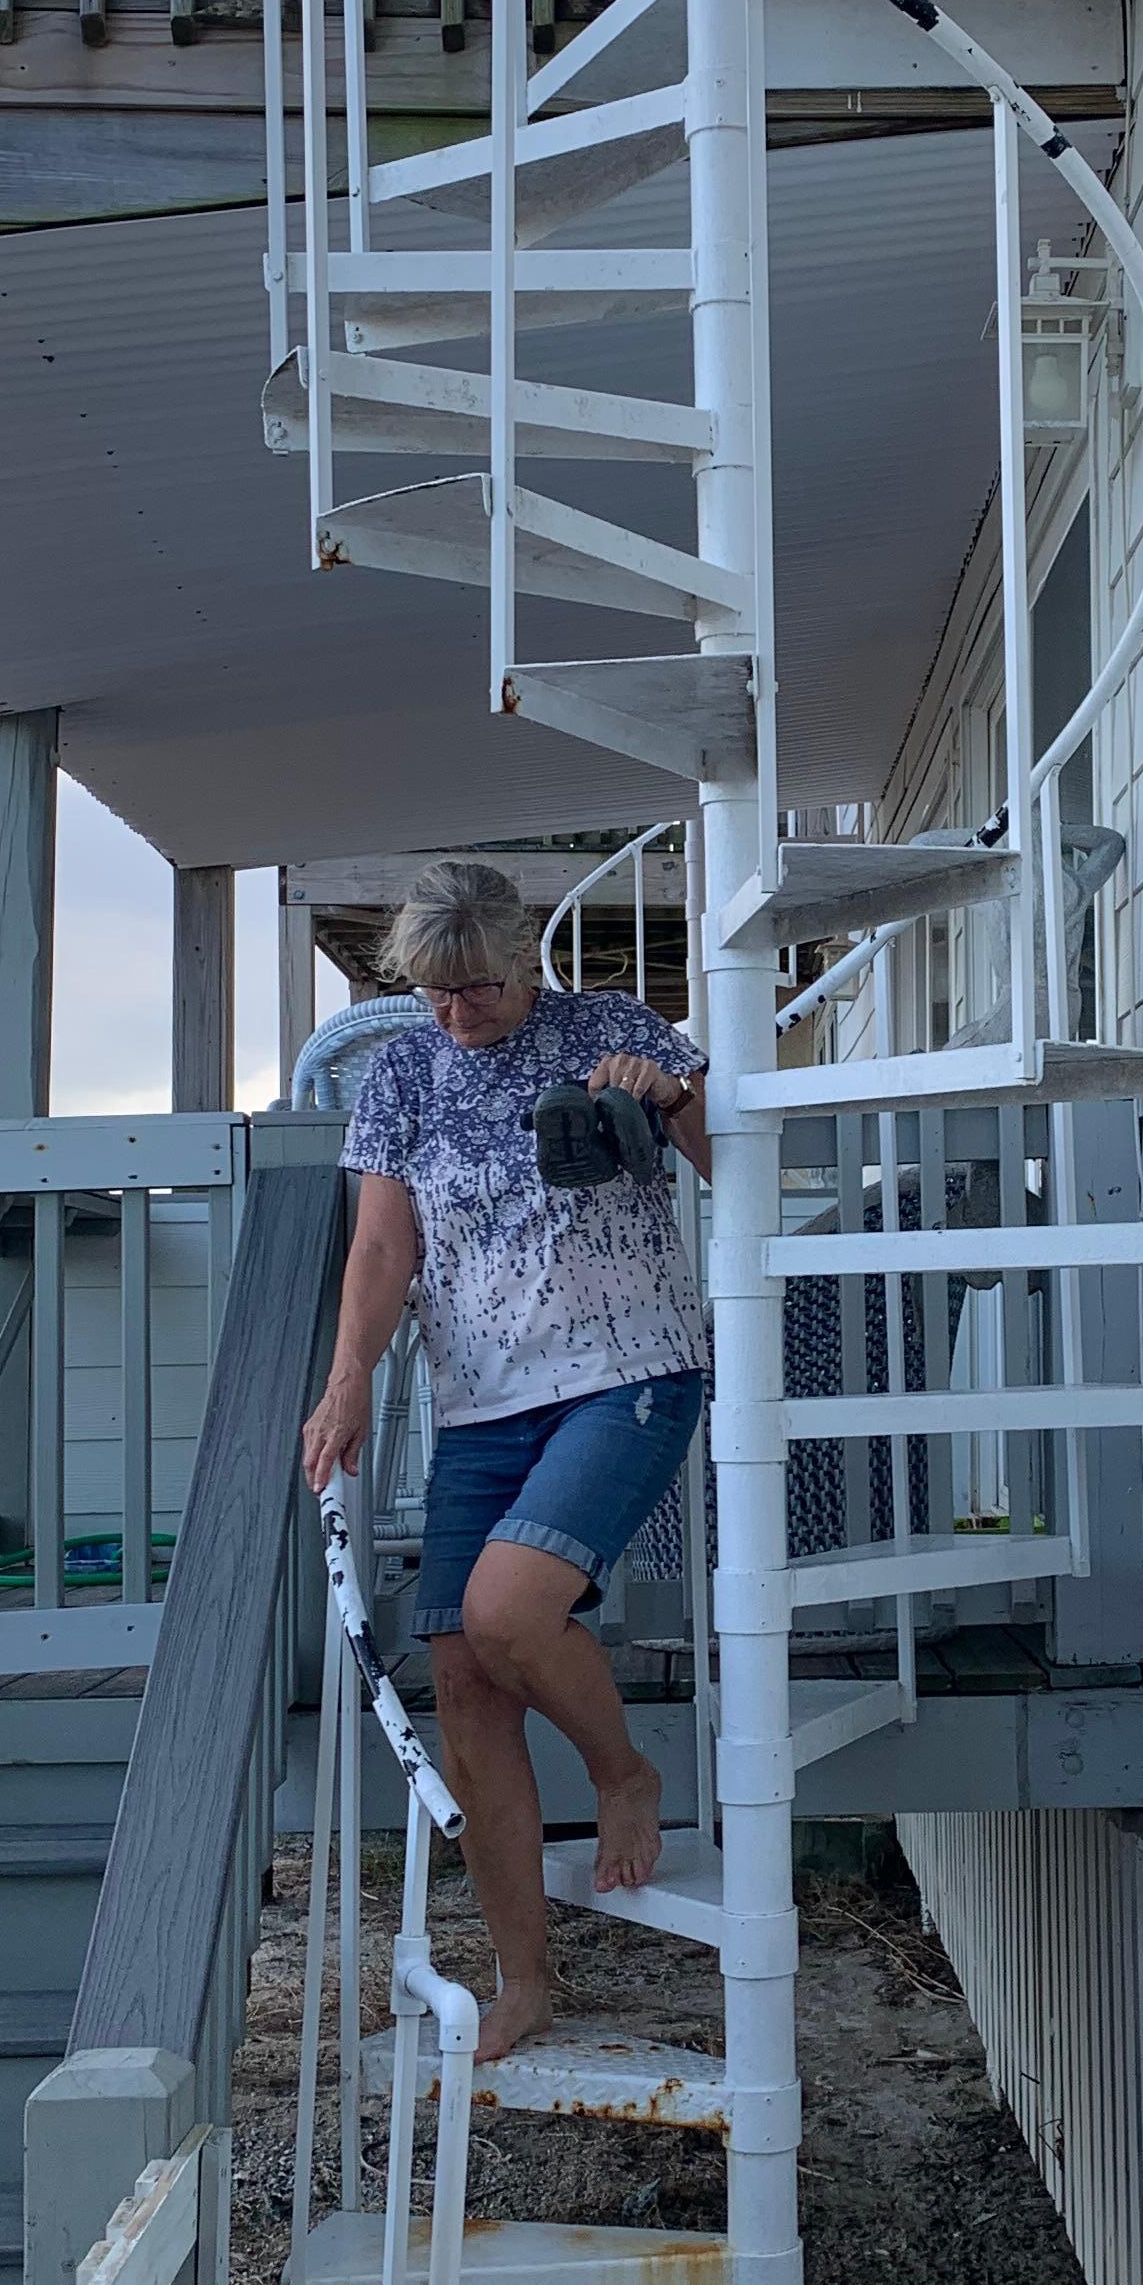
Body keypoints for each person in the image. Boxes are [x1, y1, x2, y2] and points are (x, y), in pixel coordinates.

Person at [299, 857, 710, 2061]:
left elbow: (730, 1166)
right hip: (476, 1406)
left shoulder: (610, 1030)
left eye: (475, 986)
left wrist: (673, 1096)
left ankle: (624, 1774)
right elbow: (383, 1249)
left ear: (523, 958)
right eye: (433, 990)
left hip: (626, 1373)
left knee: (508, 1614)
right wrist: (349, 1376)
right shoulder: (402, 1074)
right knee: (465, 1684)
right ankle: (522, 1981)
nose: (455, 1010)